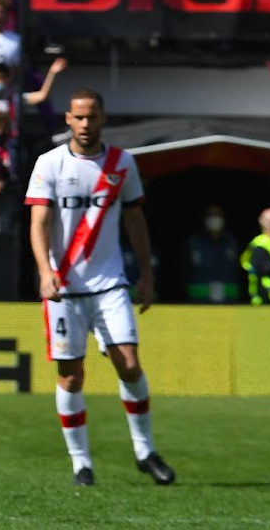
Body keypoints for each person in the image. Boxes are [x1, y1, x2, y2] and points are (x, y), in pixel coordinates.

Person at [25, 88, 176, 488]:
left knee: (129, 363)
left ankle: (145, 451)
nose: (85, 124)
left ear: (103, 118)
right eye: (78, 117)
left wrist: (146, 275)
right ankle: (81, 463)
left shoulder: (122, 163)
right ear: (67, 119)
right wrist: (44, 271)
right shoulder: (50, 163)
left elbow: (135, 221)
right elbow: (39, 222)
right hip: (63, 288)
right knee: (71, 376)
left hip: (110, 284)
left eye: (92, 116)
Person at [185, 205, 239, 303]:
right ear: (204, 219)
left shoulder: (232, 243)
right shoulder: (194, 243)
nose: (215, 219)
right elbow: (184, 270)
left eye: (218, 215)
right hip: (199, 301)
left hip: (229, 300)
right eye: (211, 215)